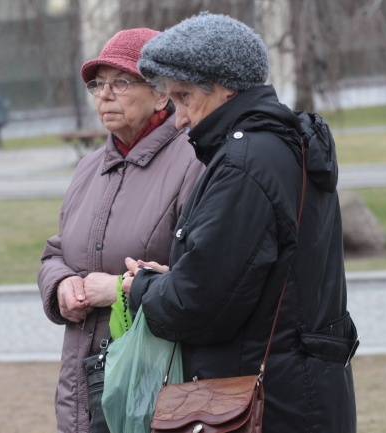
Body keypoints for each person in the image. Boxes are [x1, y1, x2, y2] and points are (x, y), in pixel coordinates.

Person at [123, 13, 358, 432]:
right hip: (303, 395)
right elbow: (248, 278)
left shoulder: (245, 164)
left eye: (184, 97)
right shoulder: (285, 145)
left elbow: (197, 306)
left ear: (224, 87)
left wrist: (141, 287)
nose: (179, 119)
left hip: (266, 405)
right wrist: (175, 278)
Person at [37, 28, 205, 433]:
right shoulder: (89, 168)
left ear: (162, 93)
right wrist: (61, 285)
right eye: (98, 84)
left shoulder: (195, 160)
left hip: (154, 380)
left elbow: (201, 274)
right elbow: (57, 252)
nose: (104, 95)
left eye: (122, 83)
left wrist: (116, 287)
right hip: (83, 381)